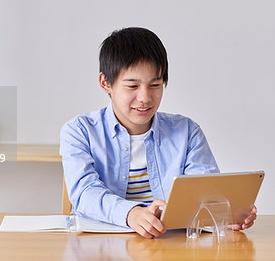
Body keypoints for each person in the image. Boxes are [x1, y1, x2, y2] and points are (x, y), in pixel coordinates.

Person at [59, 27, 257, 238]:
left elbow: (205, 194)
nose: (145, 97)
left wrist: (224, 215)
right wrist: (131, 214)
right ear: (105, 83)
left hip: (171, 244)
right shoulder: (79, 131)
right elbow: (84, 193)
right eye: (132, 86)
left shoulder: (187, 131)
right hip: (101, 245)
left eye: (155, 84)